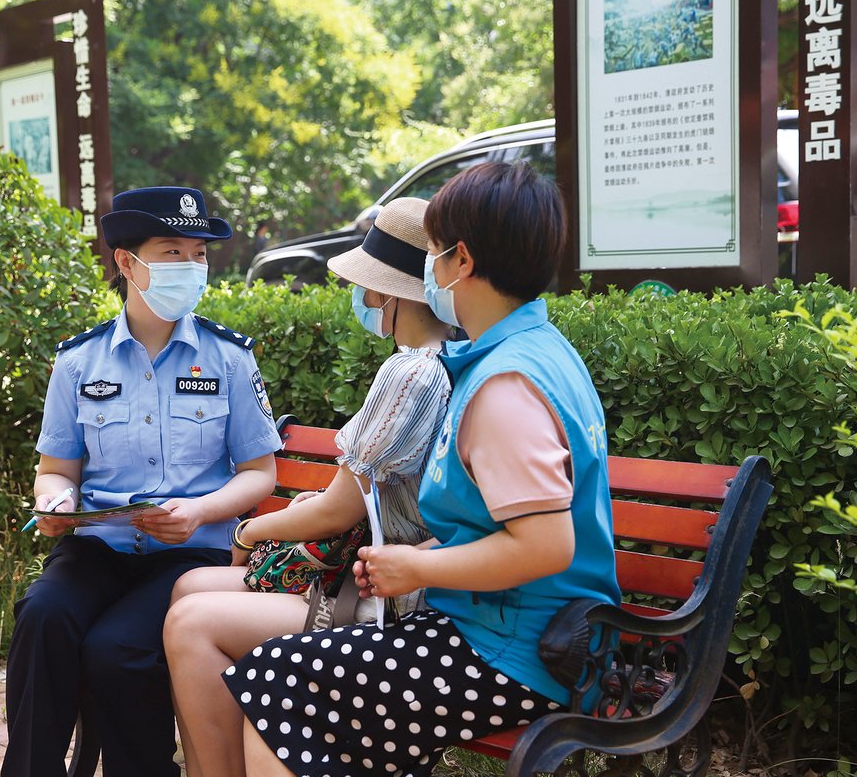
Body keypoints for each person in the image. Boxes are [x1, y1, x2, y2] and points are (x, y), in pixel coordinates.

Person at [223, 161, 622, 777]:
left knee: (276, 681)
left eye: (433, 251)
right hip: (519, 633)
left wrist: (417, 564)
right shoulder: (535, 351)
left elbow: (546, 545)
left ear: (460, 260)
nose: (427, 267)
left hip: (518, 654)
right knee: (291, 678)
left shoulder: (503, 386)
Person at [163, 197, 453, 777]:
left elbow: (335, 513)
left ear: (389, 295)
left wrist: (249, 530)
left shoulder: (411, 371)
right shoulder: (433, 360)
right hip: (368, 578)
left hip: (387, 600)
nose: (363, 300)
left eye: (368, 289)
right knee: (191, 586)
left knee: (190, 622)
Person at [1, 187, 283, 777]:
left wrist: (201, 511)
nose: (191, 267)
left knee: (117, 651)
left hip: (190, 555)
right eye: (172, 251)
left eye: (199, 254)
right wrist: (55, 502)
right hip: (97, 548)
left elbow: (260, 475)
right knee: (42, 617)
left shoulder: (230, 359)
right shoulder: (79, 363)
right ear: (126, 262)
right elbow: (56, 469)